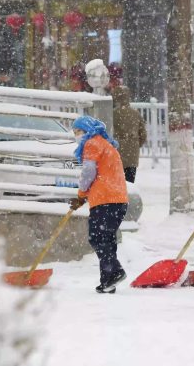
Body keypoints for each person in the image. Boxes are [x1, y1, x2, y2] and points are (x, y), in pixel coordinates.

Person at [69, 115, 129, 294]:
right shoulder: (106, 144)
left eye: (79, 131)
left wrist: (80, 195)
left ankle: (115, 271)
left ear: (87, 130)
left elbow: (88, 172)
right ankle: (108, 281)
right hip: (118, 200)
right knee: (107, 240)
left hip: (105, 200)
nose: (77, 135)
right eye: (74, 132)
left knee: (97, 238)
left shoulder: (92, 143)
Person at [112, 86, 147, 183]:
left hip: (117, 151)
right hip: (132, 152)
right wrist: (135, 144)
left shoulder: (113, 114)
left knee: (117, 181)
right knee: (130, 181)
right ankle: (128, 197)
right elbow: (143, 134)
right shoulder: (135, 113)